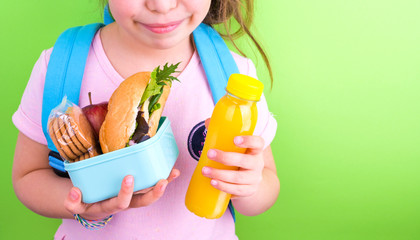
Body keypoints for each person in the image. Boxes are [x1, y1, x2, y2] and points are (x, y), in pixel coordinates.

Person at [12, 0, 279, 239]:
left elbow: (266, 186)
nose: (162, 5)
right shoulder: (60, 67)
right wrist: (84, 204)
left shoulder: (234, 80)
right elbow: (28, 176)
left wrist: (250, 186)